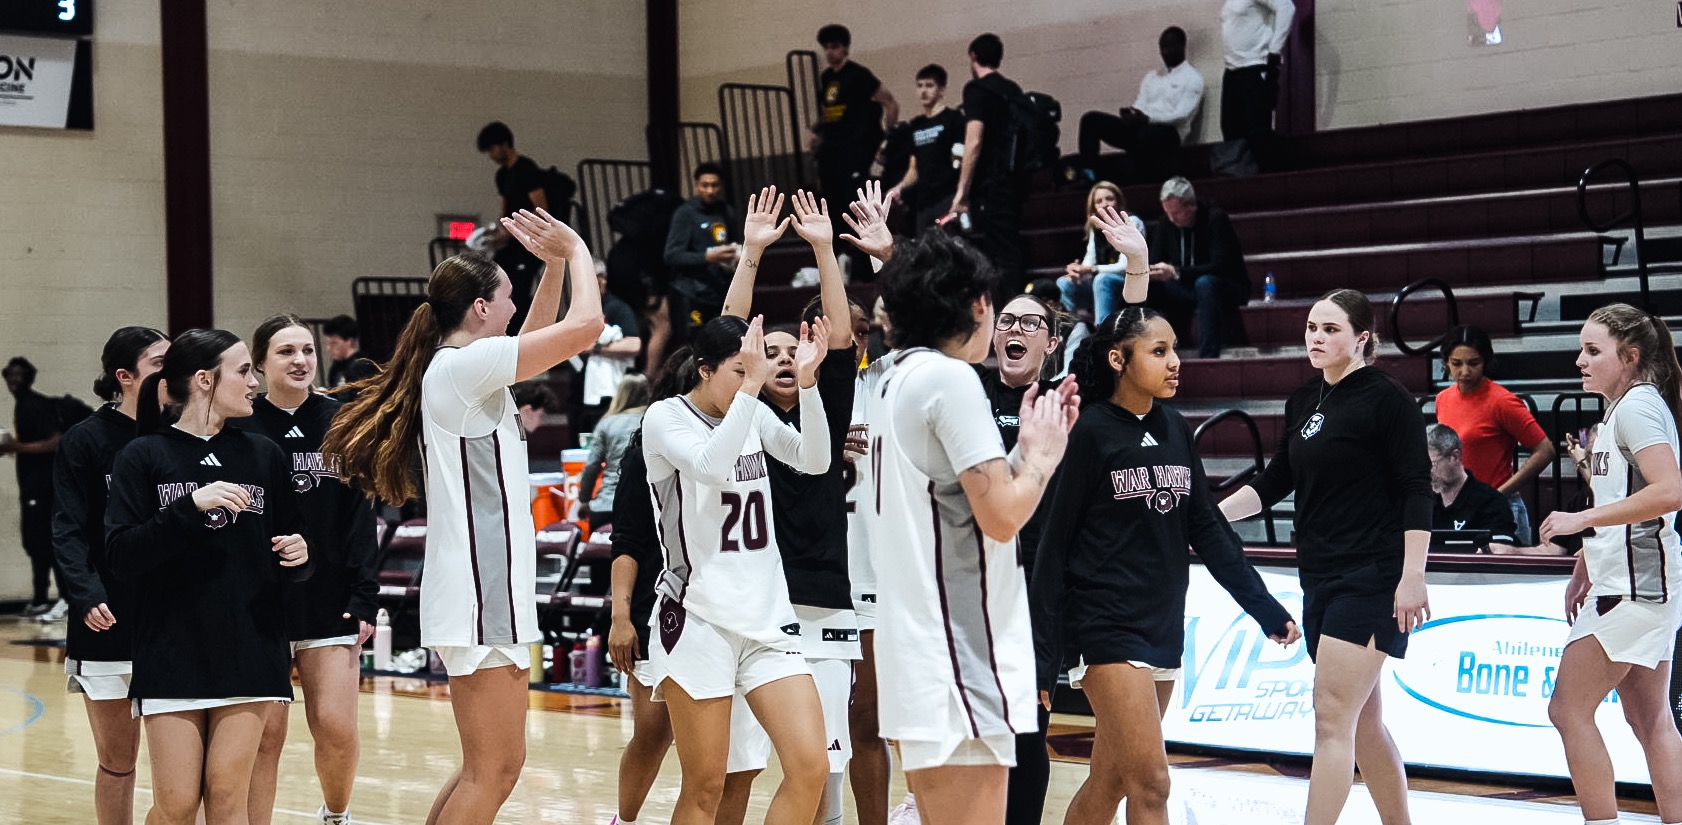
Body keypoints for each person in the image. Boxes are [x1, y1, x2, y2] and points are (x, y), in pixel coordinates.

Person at [322, 207, 604, 825]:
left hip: (480, 589)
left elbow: (537, 342)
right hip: (480, 592)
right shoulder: (461, 369)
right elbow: (586, 327)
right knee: (495, 770)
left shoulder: (466, 371)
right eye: (506, 300)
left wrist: (553, 267)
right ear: (480, 308)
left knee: (487, 767)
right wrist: (579, 250)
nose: (514, 311)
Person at [1035, 306, 1299, 825]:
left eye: (1174, 349)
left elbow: (1207, 529)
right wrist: (1044, 656)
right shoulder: (1087, 432)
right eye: (1159, 351)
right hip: (1104, 624)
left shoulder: (1176, 427)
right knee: (1153, 784)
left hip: (1161, 622)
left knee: (1112, 780)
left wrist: (1264, 608)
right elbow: (1052, 546)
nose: (1175, 361)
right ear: (1119, 360)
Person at [870, 229, 1079, 825]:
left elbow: (954, 499)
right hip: (958, 649)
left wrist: (1022, 454)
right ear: (980, 305)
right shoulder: (952, 378)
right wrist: (1041, 460)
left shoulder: (888, 379)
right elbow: (1002, 515)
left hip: (914, 645)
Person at [1218, 289, 1430, 825]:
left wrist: (1413, 575)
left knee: (1331, 720)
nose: (1316, 337)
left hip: (1373, 576)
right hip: (1319, 575)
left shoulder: (1388, 399)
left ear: (1362, 338)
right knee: (1363, 726)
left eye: (1330, 329)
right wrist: (1211, 517)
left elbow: (1415, 489)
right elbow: (1274, 481)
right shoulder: (1303, 400)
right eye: (1312, 327)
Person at [105, 328, 312, 825]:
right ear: (204, 380)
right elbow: (121, 556)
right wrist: (189, 507)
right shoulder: (143, 455)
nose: (254, 382)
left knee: (226, 796)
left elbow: (291, 548)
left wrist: (300, 556)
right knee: (177, 804)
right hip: (172, 648)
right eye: (243, 371)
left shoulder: (263, 454)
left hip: (250, 649)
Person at [641, 312, 833, 825]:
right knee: (706, 786)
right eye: (741, 368)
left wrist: (808, 385)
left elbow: (814, 460)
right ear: (705, 370)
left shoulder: (752, 411)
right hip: (698, 618)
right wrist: (752, 388)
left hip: (766, 619)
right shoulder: (665, 418)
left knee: (811, 767)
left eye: (756, 368)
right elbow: (710, 466)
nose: (756, 377)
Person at [720, 186, 865, 825]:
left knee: (825, 769)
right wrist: (751, 253)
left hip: (822, 601)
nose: (783, 359)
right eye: (769, 352)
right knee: (737, 767)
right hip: (753, 608)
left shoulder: (826, 404)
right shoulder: (739, 414)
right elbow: (723, 342)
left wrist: (825, 250)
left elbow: (843, 335)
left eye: (792, 351)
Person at [1539, 304, 1682, 825]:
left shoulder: (1638, 408)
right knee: (1650, 720)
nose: (1580, 360)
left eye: (1592, 350)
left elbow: (1670, 491)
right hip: (1633, 583)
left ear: (1630, 356)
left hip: (1637, 589)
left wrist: (1581, 520)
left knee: (1567, 709)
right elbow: (1625, 502)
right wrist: (1586, 560)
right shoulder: (1622, 409)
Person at [237, 314, 380, 825]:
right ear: (259, 364)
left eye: (307, 350)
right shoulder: (239, 422)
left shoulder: (342, 419)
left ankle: (336, 815)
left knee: (336, 728)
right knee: (265, 738)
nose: (300, 360)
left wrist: (365, 596)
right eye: (285, 351)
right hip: (261, 605)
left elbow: (360, 515)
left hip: (329, 598)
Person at [52, 326, 169, 825]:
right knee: (118, 762)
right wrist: (85, 593)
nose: (172, 372)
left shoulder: (182, 434)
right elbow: (67, 528)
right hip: (108, 617)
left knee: (181, 769)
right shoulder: (86, 440)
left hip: (173, 620)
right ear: (125, 376)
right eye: (159, 364)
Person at [1435, 325, 1556, 544]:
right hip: (1459, 508)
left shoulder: (1502, 401)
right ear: (1446, 362)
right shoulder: (1443, 398)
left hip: (1497, 507)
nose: (1465, 372)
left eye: (1473, 363)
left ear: (1485, 361)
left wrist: (1500, 493)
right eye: (1457, 364)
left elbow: (1545, 450)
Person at [813, 23, 898, 272]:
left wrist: (887, 139)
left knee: (854, 203)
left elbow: (890, 102)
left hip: (854, 149)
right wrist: (818, 133)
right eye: (826, 47)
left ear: (845, 48)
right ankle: (841, 259)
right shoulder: (826, 78)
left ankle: (864, 264)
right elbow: (830, 113)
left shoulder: (859, 75)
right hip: (831, 150)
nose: (830, 52)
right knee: (832, 205)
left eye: (835, 47)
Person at [1075, 27, 1205, 183]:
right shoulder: (1152, 76)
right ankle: (1088, 175)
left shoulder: (1192, 78)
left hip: (1170, 133)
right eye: (1162, 48)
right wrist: (1131, 115)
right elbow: (1140, 104)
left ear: (1182, 46)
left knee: (1144, 135)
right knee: (1090, 120)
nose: (1165, 52)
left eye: (1169, 47)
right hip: (1141, 127)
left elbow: (1181, 115)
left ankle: (1136, 178)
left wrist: (1148, 119)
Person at [952, 33, 1028, 297]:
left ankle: (1013, 308)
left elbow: (973, 142)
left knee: (1001, 253)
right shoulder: (1012, 89)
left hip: (991, 184)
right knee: (1008, 248)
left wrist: (961, 192)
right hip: (1016, 181)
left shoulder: (976, 90)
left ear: (973, 57)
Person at [1144, 177, 1250, 358]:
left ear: (1191, 205)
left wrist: (1176, 271)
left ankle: (1208, 355)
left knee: (1205, 283)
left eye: (1177, 213)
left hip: (1225, 285)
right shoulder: (1166, 223)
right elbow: (1155, 260)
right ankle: (1146, 355)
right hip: (1186, 287)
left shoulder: (1214, 218)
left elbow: (1220, 265)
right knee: (1147, 286)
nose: (1172, 218)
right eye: (1168, 213)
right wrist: (1154, 272)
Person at [2, 356, 73, 621]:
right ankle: (41, 598)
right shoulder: (23, 404)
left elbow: (55, 441)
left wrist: (15, 447)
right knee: (34, 542)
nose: (14, 380)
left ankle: (66, 597)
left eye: (19, 375)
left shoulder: (34, 405)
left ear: (28, 377)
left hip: (44, 487)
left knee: (47, 542)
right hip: (32, 485)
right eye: (11, 375)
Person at [477, 121, 553, 331]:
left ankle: (522, 335)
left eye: (492, 149)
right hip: (512, 241)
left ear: (504, 144)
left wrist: (518, 231)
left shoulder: (527, 169)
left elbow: (541, 208)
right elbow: (504, 209)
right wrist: (498, 232)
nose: (491, 156)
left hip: (528, 241)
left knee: (519, 292)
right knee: (495, 281)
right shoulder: (502, 175)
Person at [886, 64, 966, 233]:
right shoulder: (916, 125)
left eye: (929, 86)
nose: (923, 91)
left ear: (941, 91)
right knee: (924, 248)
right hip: (923, 202)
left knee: (949, 247)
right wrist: (899, 187)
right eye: (920, 85)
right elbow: (913, 169)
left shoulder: (953, 119)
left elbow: (961, 161)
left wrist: (961, 196)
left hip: (947, 197)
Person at [663, 162, 740, 335]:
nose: (710, 191)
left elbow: (733, 242)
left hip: (719, 291)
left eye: (715, 185)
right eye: (705, 185)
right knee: (694, 340)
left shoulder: (726, 211)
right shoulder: (685, 213)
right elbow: (671, 255)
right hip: (691, 294)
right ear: (697, 185)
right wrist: (708, 256)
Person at [1057, 183, 1149, 325]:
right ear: (1093, 207)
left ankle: (1102, 329)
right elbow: (1089, 262)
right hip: (1100, 283)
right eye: (1099, 201)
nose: (1105, 204)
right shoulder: (1096, 228)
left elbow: (1124, 267)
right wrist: (1078, 272)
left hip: (1129, 283)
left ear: (1118, 202)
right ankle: (1074, 328)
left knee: (1102, 279)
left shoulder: (1132, 222)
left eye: (1109, 199)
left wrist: (1092, 269)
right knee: (1064, 282)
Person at [1219, 0, 1295, 168]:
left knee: (1258, 132)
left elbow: (1287, 7)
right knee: (1231, 132)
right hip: (1232, 72)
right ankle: (1241, 178)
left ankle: (1271, 176)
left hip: (1253, 67)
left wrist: (1274, 51)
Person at [579, 259, 646, 440]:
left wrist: (596, 347)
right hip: (582, 390)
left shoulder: (617, 307)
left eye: (599, 277)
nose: (596, 282)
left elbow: (634, 344)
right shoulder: (579, 308)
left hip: (608, 393)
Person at [1426, 423, 1519, 551]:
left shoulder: (1491, 502)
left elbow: (1502, 551)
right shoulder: (1424, 502)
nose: (1426, 472)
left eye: (1431, 464)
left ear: (1455, 457)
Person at [579, 374, 650, 525]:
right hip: (643, 507)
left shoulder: (607, 424)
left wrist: (584, 500)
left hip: (606, 505)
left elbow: (592, 467)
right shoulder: (653, 421)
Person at [322, 315, 378, 388]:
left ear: (350, 341)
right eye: (327, 343)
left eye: (334, 343)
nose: (328, 348)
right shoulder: (335, 367)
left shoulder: (363, 365)